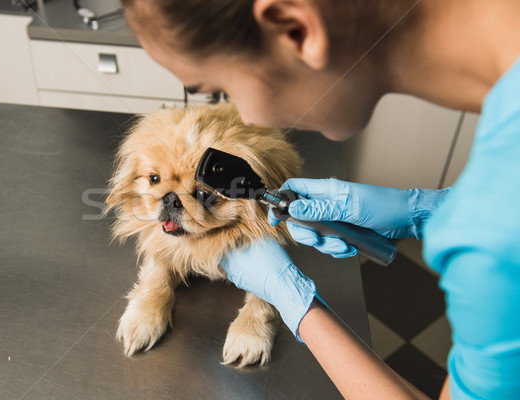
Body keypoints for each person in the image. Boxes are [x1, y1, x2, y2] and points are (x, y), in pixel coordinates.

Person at [121, 1, 520, 399]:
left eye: (224, 89)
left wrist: (299, 306)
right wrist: (430, 210)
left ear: (296, 30)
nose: (236, 113)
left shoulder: (493, 250)